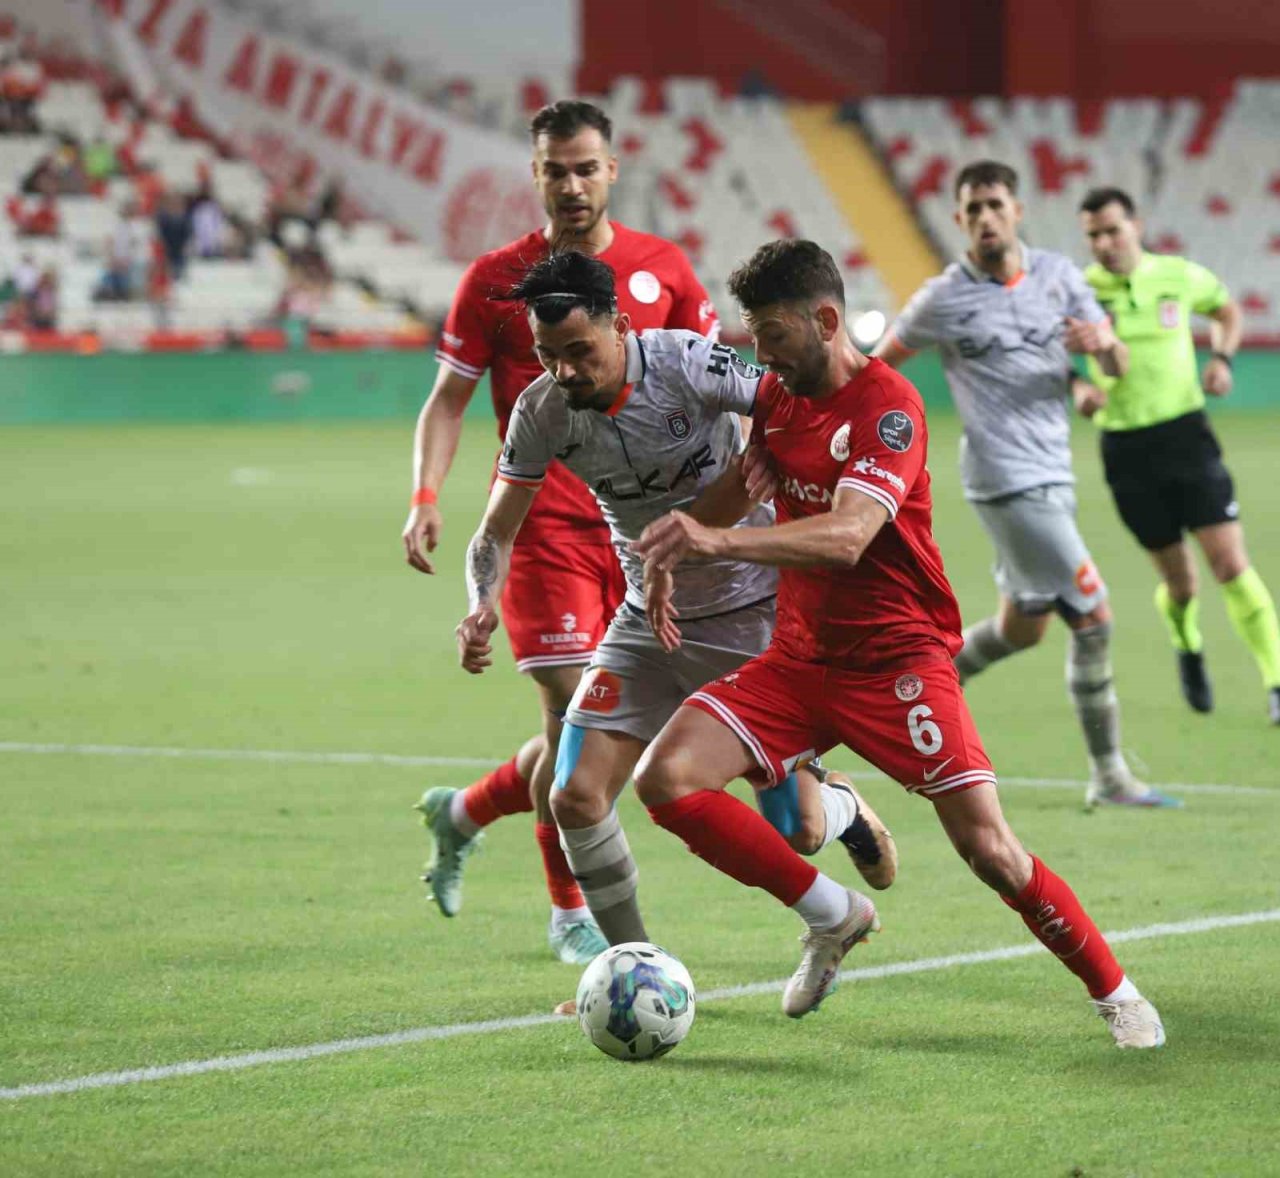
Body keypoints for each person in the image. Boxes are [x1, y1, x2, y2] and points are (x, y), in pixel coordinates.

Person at [632, 239, 1165, 1048]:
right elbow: (741, 488)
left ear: (826, 319)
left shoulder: (889, 408)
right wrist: (670, 546)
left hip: (898, 664)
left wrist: (719, 547)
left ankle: (1116, 992)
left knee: (990, 851)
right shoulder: (777, 397)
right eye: (754, 334)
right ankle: (834, 915)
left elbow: (849, 536)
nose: (761, 353)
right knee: (666, 779)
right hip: (800, 661)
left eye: (773, 332)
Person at [454, 250, 896, 961]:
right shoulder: (542, 411)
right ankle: (634, 968)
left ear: (621, 327)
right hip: (645, 621)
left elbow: (788, 400)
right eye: (548, 356)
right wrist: (482, 603)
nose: (565, 371)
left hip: (754, 613)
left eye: (579, 351)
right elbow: (492, 534)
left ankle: (839, 807)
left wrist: (768, 457)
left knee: (798, 831)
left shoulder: (688, 362)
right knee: (574, 795)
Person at [402, 100, 721, 965]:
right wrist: (427, 493)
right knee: (577, 711)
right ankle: (570, 910)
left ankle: (465, 810)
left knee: (608, 725)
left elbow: (713, 394)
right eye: (555, 169)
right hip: (542, 530)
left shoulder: (665, 271)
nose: (572, 183)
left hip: (650, 535)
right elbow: (449, 399)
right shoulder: (497, 282)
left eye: (586, 167)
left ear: (613, 169)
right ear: (534, 174)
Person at [874, 160, 1176, 810]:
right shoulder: (943, 297)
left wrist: (1104, 346)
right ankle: (1111, 775)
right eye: (972, 208)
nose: (984, 218)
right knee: (1094, 618)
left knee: (1023, 628)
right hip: (1007, 482)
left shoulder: (1060, 277)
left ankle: (902, 699)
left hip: (1054, 472)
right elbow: (878, 368)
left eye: (994, 205)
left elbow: (1116, 361)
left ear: (1017, 211)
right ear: (959, 220)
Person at [1076, 187, 1280, 724]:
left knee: (1230, 563)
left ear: (1136, 226)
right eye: (1093, 234)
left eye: (1112, 230)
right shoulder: (1079, 291)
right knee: (1181, 583)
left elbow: (1227, 309)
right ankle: (1186, 642)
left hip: (1187, 437)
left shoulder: (1180, 275)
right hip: (1126, 449)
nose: (1104, 243)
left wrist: (1224, 358)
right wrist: (1076, 387)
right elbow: (1051, 353)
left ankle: (1276, 679)